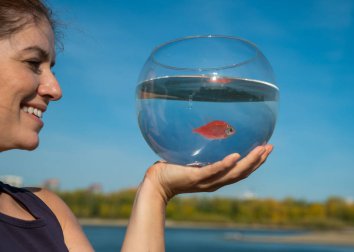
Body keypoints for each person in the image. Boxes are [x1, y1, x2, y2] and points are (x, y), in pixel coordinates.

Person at [0, 0, 273, 251]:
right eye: (33, 63)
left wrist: (157, 190)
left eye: (52, 69)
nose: (55, 89)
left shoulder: (48, 212)